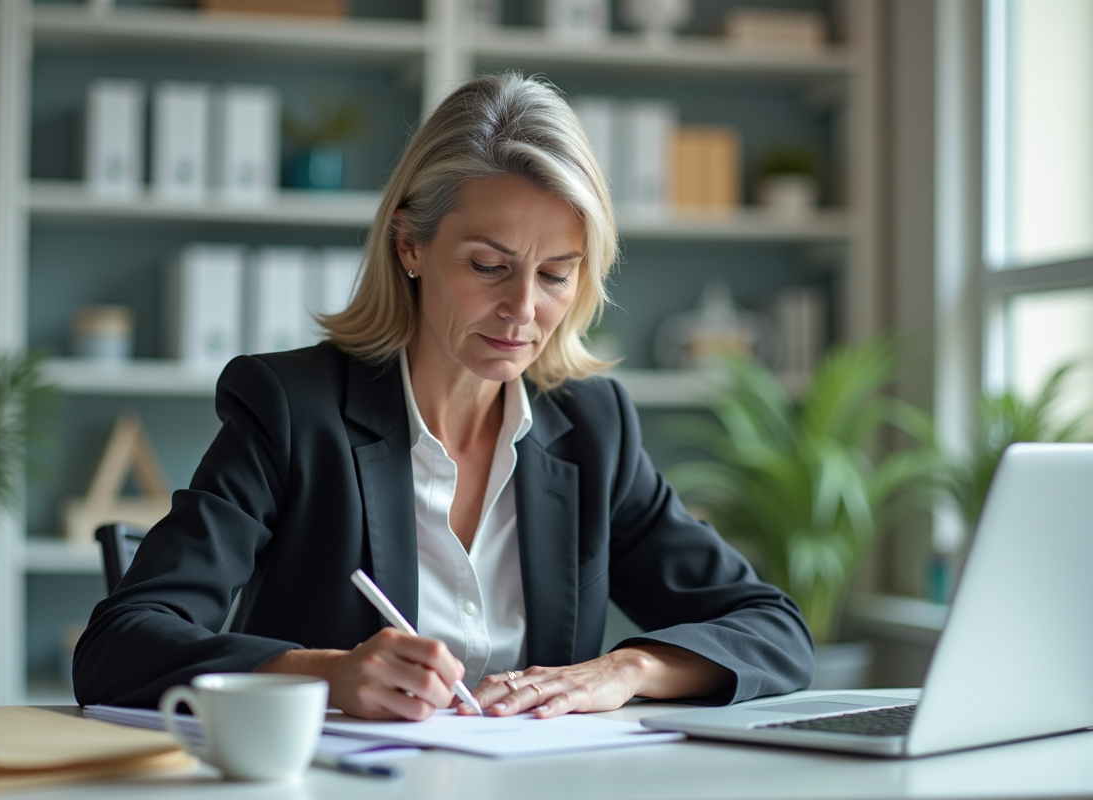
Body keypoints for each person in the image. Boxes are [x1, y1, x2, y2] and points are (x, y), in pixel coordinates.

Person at [73, 72, 814, 720]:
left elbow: (770, 627)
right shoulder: (291, 410)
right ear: (410, 247)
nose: (524, 308)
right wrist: (327, 676)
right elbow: (121, 643)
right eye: (490, 266)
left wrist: (624, 671)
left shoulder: (592, 426)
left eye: (556, 274)